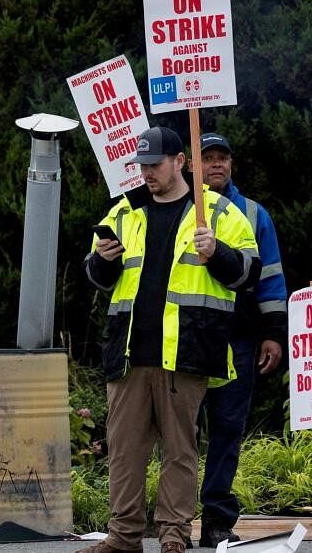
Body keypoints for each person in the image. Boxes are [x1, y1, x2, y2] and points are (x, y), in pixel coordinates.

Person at [80, 127, 260, 553]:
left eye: (155, 165)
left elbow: (250, 273)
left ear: (180, 162)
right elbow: (97, 277)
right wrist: (101, 262)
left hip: (187, 350)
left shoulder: (217, 211)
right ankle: (124, 536)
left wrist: (218, 252)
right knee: (125, 451)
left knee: (180, 450)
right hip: (127, 353)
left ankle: (174, 535)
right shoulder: (121, 212)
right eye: (141, 166)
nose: (147, 173)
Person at [195, 132, 287, 547]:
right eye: (208, 157)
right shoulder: (177, 207)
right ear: (191, 164)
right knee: (178, 433)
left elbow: (271, 278)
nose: (216, 164)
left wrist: (273, 334)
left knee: (228, 429)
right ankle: (173, 519)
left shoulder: (253, 213)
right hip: (187, 337)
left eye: (223, 158)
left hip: (238, 337)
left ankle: (216, 521)